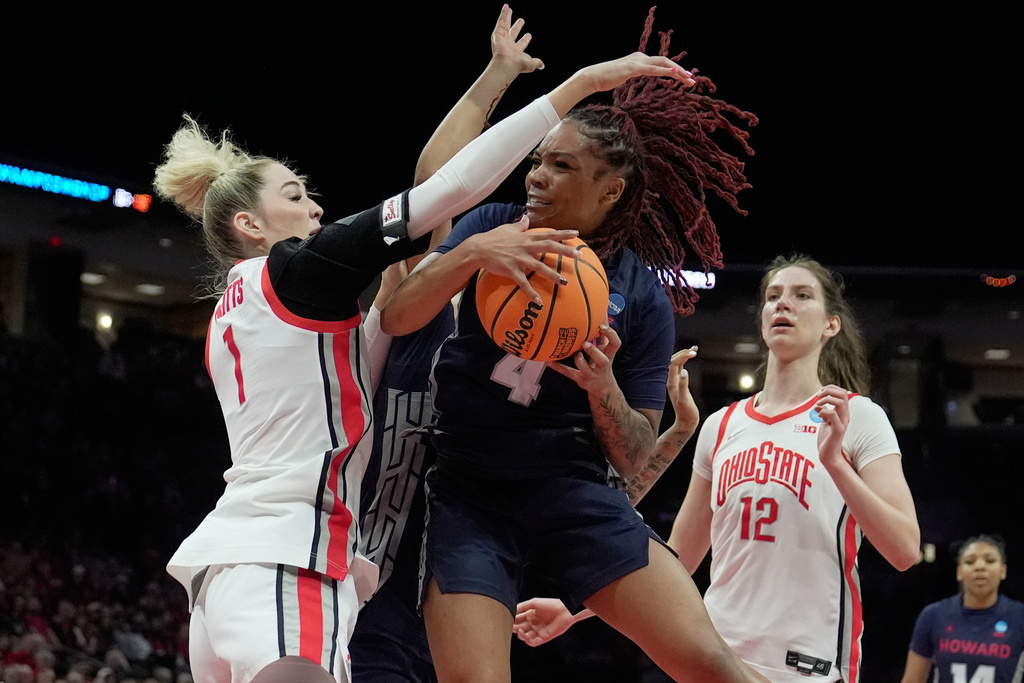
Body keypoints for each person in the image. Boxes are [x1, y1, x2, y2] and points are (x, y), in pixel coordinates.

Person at [151, 16, 690, 682]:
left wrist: (495, 78)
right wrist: (572, 86)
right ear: (250, 225)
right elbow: (440, 189)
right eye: (297, 195)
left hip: (360, 565)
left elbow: (437, 197)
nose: (318, 207)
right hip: (317, 559)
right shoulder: (342, 294)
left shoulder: (292, 322)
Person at [381, 9, 766, 683]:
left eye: (560, 166)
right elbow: (397, 315)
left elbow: (637, 453)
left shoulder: (639, 294)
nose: (536, 177)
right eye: (537, 161)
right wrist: (473, 252)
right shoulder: (494, 223)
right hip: (469, 489)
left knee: (710, 663)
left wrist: (602, 388)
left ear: (609, 192)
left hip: (571, 492)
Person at [513, 254, 921, 682]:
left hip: (808, 663)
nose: (784, 305)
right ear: (762, 319)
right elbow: (679, 558)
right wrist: (575, 608)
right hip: (717, 657)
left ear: (830, 324)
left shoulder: (857, 416)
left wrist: (835, 463)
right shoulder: (722, 425)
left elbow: (905, 551)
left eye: (802, 296)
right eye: (773, 297)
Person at [900, 534, 1024, 683]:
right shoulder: (933, 615)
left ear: (1003, 571)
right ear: (959, 573)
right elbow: (912, 679)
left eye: (990, 560)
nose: (980, 567)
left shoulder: (1020, 617)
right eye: (970, 562)